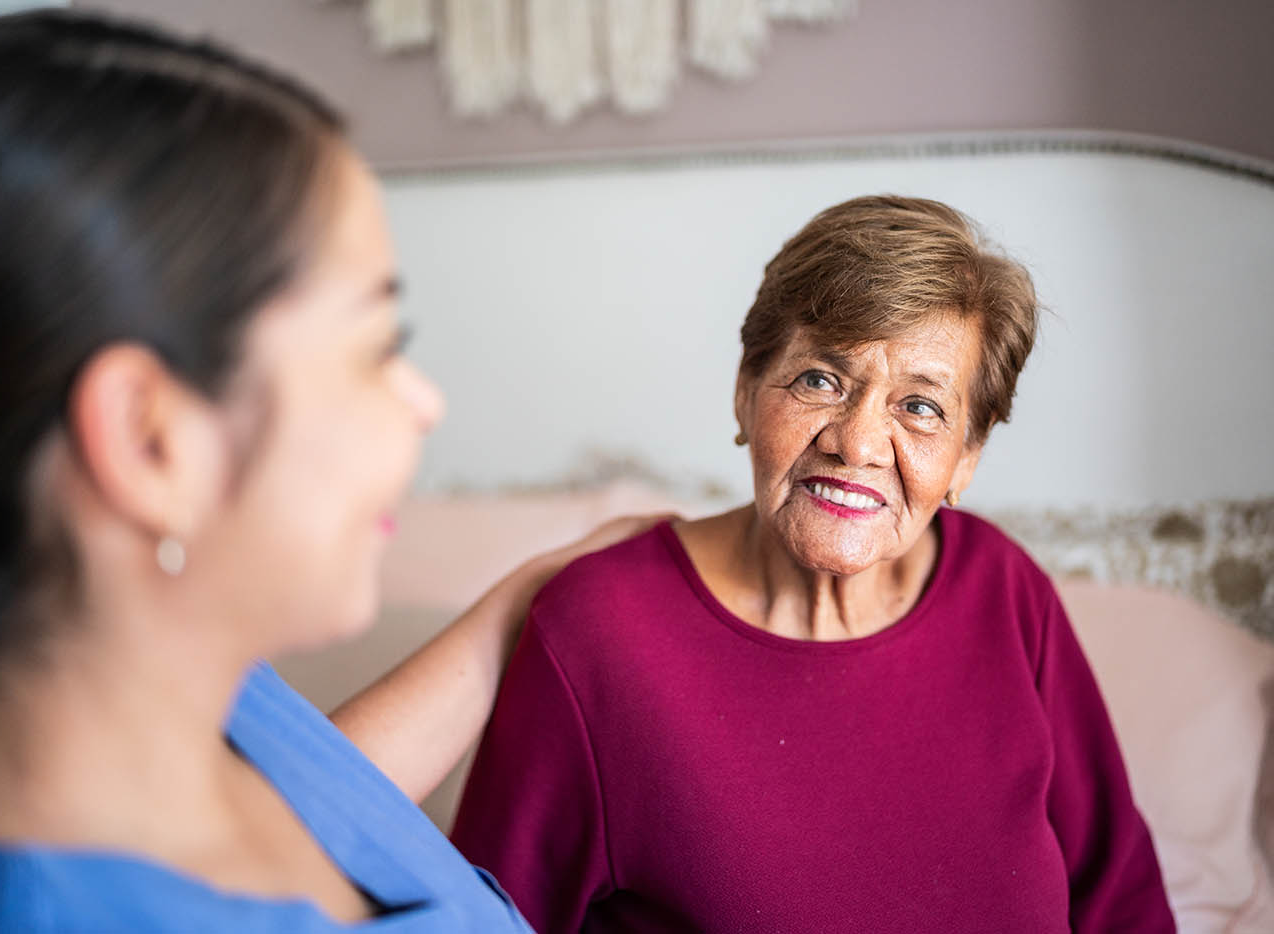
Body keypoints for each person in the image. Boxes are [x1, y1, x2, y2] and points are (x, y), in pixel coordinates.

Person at [0, 12, 658, 931]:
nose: (422, 401)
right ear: (149, 441)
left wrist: (518, 608)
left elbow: (327, 807)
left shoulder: (162, 687)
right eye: (376, 350)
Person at [451, 195, 1177, 932]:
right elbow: (470, 918)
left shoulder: (1004, 589)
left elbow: (1121, 903)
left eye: (920, 407)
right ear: (745, 393)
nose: (858, 443)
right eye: (821, 380)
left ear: (968, 457)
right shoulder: (598, 631)